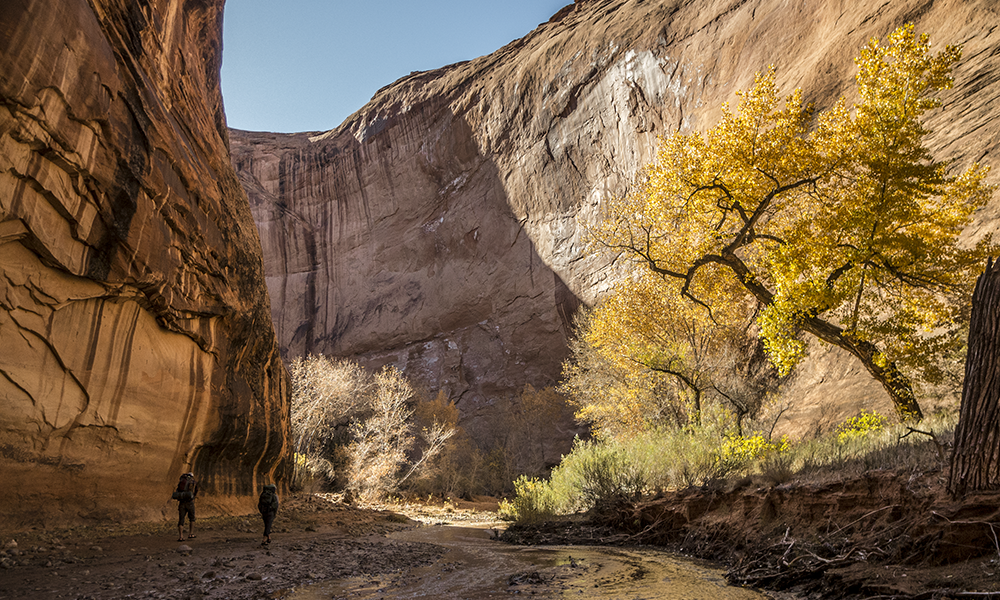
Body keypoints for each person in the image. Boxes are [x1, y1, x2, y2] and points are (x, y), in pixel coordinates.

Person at [173, 472, 198, 542]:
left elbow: (177, 491)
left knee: (181, 520)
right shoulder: (193, 482)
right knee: (192, 518)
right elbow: (195, 491)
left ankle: (181, 536)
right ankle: (191, 533)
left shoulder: (181, 482)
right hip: (190, 502)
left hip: (182, 503)